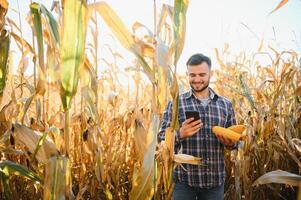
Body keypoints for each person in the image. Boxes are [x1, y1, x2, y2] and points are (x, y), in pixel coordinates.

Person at [158, 53, 237, 200]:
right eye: (192, 75)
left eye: (202, 74)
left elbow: (235, 140)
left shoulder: (225, 105)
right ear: (187, 74)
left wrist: (231, 143)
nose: (197, 79)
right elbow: (161, 138)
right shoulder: (176, 104)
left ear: (211, 74)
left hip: (214, 182)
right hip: (184, 182)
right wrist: (179, 134)